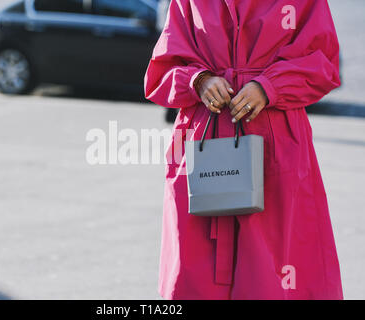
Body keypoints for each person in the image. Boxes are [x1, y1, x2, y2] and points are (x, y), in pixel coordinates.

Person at [144, 0, 343, 300]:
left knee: (273, 274)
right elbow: (162, 69)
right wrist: (198, 81)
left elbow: (323, 62)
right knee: (195, 270)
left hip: (276, 142)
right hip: (205, 141)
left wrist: (270, 86)